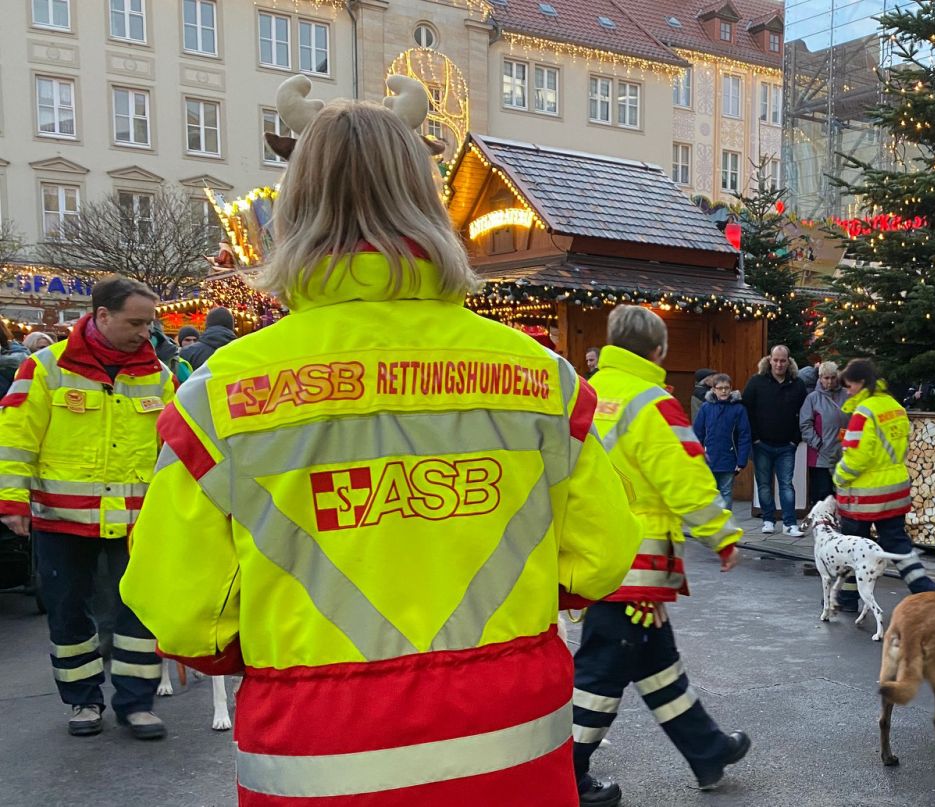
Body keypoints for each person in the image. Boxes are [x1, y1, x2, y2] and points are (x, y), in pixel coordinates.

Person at [120, 84, 640, 806]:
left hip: (316, 747)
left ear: (292, 207)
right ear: (427, 203)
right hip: (510, 735)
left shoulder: (219, 395)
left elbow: (180, 609)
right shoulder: (539, 377)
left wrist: (282, 642)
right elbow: (601, 555)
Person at [573, 306, 748, 805]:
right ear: (658, 351)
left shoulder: (584, 393)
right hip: (637, 565)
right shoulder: (652, 403)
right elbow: (686, 480)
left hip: (593, 558)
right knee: (602, 673)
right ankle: (566, 769)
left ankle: (707, 749)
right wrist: (721, 534)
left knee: (657, 665)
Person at [0, 276, 173, 740]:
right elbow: (15, 438)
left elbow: (173, 447)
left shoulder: (159, 374)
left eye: (149, 322)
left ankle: (137, 704)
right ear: (101, 316)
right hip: (61, 519)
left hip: (136, 521)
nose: (146, 332)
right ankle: (83, 702)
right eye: (136, 322)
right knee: (68, 612)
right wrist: (11, 500)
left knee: (139, 613)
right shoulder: (44, 368)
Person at [832, 359, 935, 613]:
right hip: (895, 491)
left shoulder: (863, 413)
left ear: (860, 383)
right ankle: (925, 591)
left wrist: (839, 477)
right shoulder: (895, 407)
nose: (847, 391)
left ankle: (847, 600)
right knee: (898, 544)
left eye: (849, 386)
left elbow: (858, 457)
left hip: (864, 495)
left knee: (852, 547)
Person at [742, 345, 807, 536]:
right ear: (769, 359)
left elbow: (805, 413)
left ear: (789, 361)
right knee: (763, 484)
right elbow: (746, 410)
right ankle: (768, 520)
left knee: (786, 484)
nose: (779, 364)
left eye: (783, 360)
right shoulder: (756, 382)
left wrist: (796, 439)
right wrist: (754, 438)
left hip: (787, 445)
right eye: (775, 360)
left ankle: (789, 523)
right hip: (761, 444)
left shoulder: (798, 384)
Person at [693, 373, 751, 509]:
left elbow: (744, 435)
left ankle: (725, 524)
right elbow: (697, 433)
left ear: (731, 389)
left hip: (729, 458)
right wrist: (696, 456)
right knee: (710, 492)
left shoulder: (738, 409)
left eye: (726, 388)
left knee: (726, 491)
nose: (724, 391)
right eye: (720, 388)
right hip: (709, 457)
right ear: (713, 390)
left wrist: (741, 460)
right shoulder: (706, 408)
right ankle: (713, 524)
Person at [799, 361, 848, 505]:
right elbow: (805, 424)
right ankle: (821, 523)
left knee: (841, 493)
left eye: (833, 377)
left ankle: (839, 522)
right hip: (820, 456)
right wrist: (817, 443)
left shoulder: (847, 395)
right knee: (822, 494)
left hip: (842, 454)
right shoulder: (812, 398)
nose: (830, 381)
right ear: (820, 378)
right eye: (826, 378)